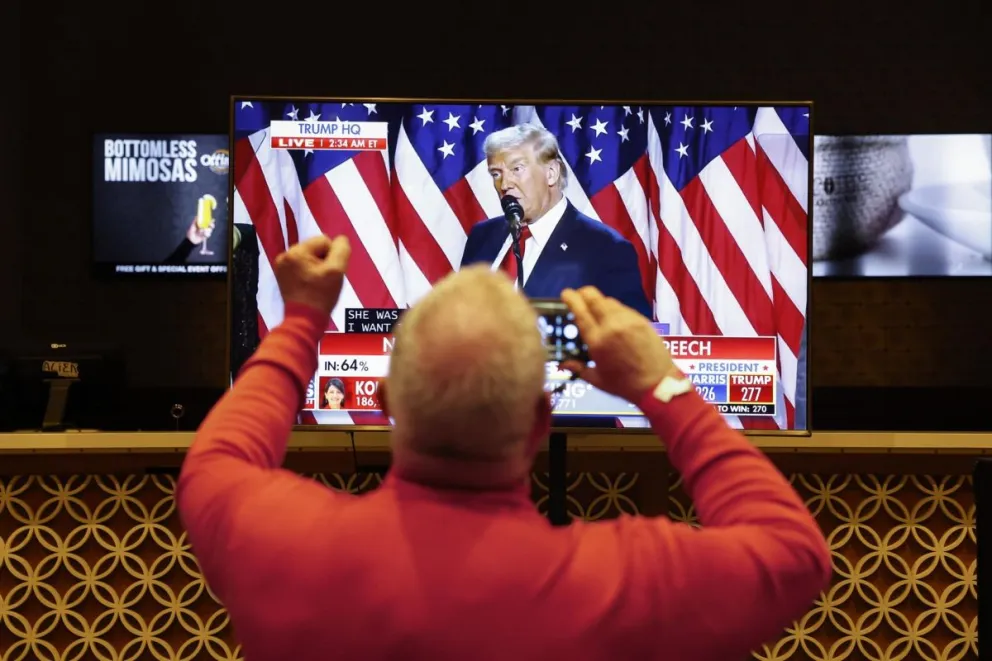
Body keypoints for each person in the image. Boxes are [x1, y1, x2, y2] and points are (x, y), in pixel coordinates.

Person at [177, 234, 831, 661]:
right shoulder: (623, 583)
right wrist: (662, 385)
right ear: (541, 422)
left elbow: (217, 459)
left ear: (386, 402)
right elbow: (794, 550)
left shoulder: (278, 541)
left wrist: (300, 322)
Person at [460, 123, 653, 319]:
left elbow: (633, 335)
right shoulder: (482, 236)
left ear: (551, 173)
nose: (505, 184)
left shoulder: (605, 249)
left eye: (516, 169)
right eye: (496, 174)